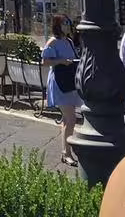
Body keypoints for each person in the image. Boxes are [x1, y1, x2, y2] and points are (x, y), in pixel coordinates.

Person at [42, 14, 81, 167]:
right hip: (59, 83)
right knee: (71, 118)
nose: (66, 25)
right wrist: (61, 61)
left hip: (69, 82)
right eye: (64, 23)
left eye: (68, 22)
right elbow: (45, 62)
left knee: (67, 119)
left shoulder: (69, 41)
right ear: (57, 25)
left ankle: (66, 150)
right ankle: (67, 153)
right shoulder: (53, 42)